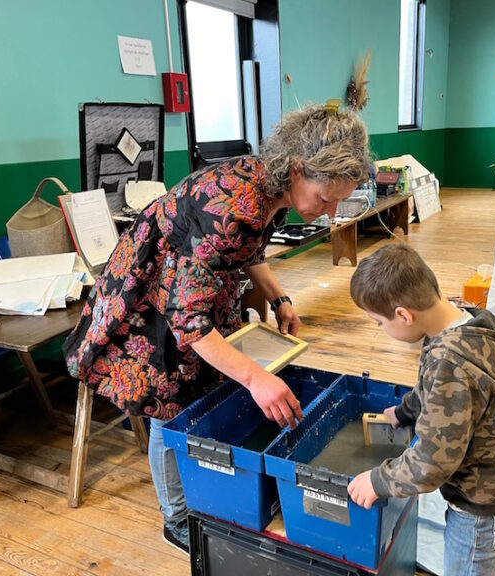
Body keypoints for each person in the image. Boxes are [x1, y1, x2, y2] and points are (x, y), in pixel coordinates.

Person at [63, 105, 370, 553]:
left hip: (191, 290)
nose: (331, 210)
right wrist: (255, 378)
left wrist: (278, 297)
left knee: (200, 388)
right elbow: (187, 323)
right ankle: (177, 517)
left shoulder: (271, 187)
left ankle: (204, 492)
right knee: (167, 409)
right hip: (151, 301)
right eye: (327, 198)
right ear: (299, 168)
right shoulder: (235, 207)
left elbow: (250, 252)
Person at [346, 243, 495, 576]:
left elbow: (432, 462)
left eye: (379, 322)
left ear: (404, 315)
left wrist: (377, 480)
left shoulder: (450, 363)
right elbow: (435, 392)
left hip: (483, 507)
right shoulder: (462, 324)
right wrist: (405, 411)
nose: (381, 329)